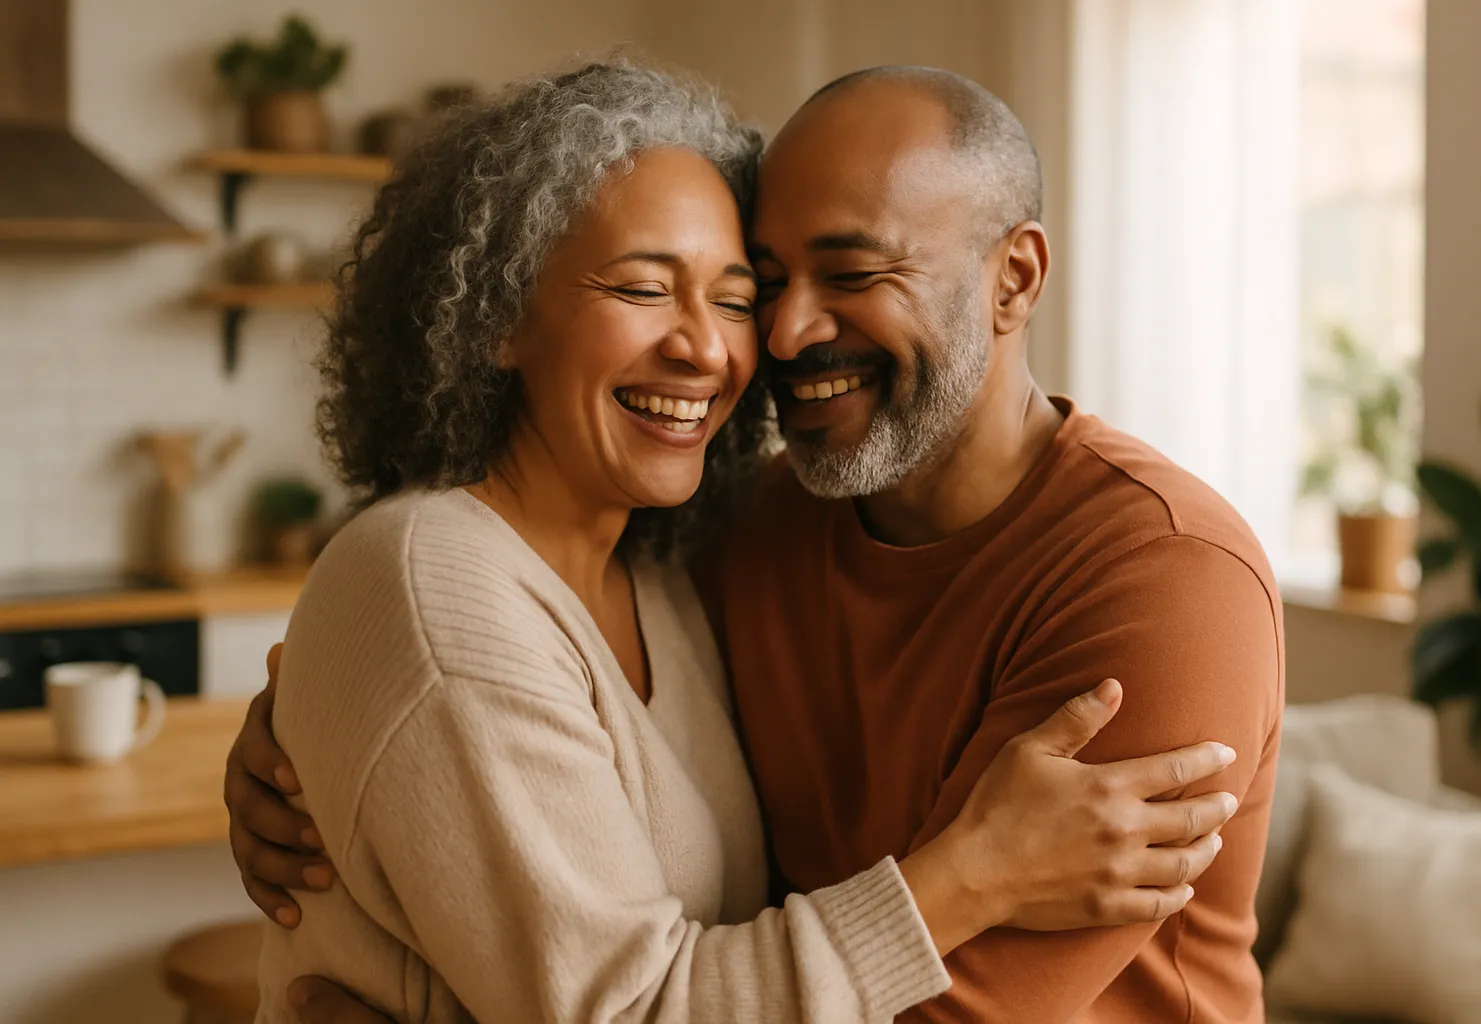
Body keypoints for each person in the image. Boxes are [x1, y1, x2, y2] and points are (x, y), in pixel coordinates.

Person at [228, 61, 1241, 1024]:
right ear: (500, 313)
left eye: (736, 297)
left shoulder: (1162, 575)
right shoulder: (743, 538)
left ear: (1013, 278)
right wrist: (328, 733)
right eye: (644, 287)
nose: (778, 334)